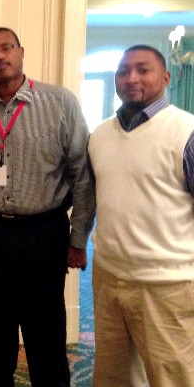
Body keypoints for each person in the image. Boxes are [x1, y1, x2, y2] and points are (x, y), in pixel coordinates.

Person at [0, 27, 95, 386]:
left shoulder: (60, 103)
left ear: (21, 52)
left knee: (45, 334)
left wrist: (78, 238)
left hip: (42, 233)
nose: (0, 56)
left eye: (7, 48)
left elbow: (82, 174)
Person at [88, 45, 194, 387]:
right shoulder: (99, 135)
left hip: (166, 285)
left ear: (165, 78)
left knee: (172, 377)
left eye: (143, 70)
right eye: (123, 71)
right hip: (108, 278)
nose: (131, 78)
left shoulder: (186, 132)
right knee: (112, 378)